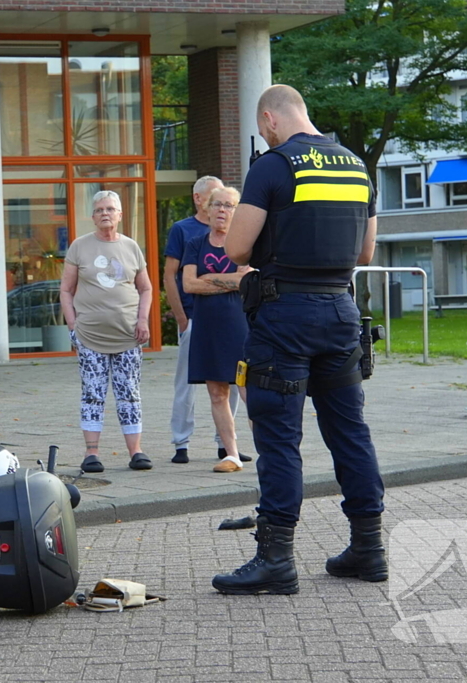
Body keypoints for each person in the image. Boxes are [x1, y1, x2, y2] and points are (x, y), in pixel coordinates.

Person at [214, 85, 384, 595]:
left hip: (284, 315)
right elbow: (366, 253)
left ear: (270, 118)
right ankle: (369, 549)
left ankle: (276, 559)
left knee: (278, 436)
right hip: (341, 312)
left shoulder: (273, 166)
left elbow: (237, 248)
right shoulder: (355, 166)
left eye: (262, 127)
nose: (264, 135)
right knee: (350, 432)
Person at [60, 190, 153, 472]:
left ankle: (136, 452)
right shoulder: (79, 246)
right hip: (90, 337)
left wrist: (143, 320)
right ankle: (92, 453)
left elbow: (146, 288)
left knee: (129, 393)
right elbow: (66, 289)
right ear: (92, 216)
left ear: (120, 215)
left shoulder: (131, 247)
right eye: (99, 209)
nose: (105, 214)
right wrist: (73, 325)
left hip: (128, 336)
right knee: (92, 394)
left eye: (110, 209)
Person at [163, 176, 247, 465]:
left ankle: (268, 453)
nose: (222, 210)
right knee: (214, 392)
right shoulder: (194, 242)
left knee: (248, 390)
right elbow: (188, 284)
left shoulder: (244, 244)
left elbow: (245, 281)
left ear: (237, 211)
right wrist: (228, 281)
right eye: (217, 204)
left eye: (229, 205)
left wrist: (209, 278)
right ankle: (228, 453)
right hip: (205, 325)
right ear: (207, 208)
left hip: (239, 324)